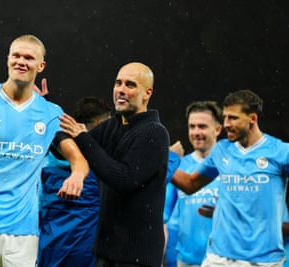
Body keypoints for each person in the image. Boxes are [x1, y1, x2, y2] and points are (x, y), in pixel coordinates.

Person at [0, 34, 89, 267]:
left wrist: (77, 175)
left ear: (41, 65)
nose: (21, 62)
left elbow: (78, 158)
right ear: (7, 59)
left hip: (23, 231)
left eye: (29, 57)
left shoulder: (50, 113)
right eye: (16, 55)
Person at [60, 62, 170, 267]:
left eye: (130, 85)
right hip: (106, 251)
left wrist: (83, 137)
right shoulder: (112, 126)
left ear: (147, 93)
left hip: (136, 258)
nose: (121, 90)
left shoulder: (154, 132)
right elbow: (65, 140)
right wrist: (44, 111)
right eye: (118, 83)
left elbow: (123, 179)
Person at [171, 89, 289, 266]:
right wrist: (164, 160)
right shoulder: (222, 150)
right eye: (225, 117)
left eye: (233, 118)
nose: (226, 124)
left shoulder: (280, 152)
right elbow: (190, 184)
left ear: (252, 119)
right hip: (218, 258)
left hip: (263, 260)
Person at [38, 97, 112, 267]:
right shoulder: (101, 171)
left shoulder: (45, 161)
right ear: (101, 124)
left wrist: (42, 106)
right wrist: (172, 156)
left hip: (47, 252)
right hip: (84, 256)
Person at [164, 101, 222, 267]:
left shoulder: (230, 165)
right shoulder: (179, 165)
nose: (196, 132)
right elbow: (164, 216)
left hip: (224, 260)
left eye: (202, 126)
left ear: (217, 129)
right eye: (192, 126)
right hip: (186, 261)